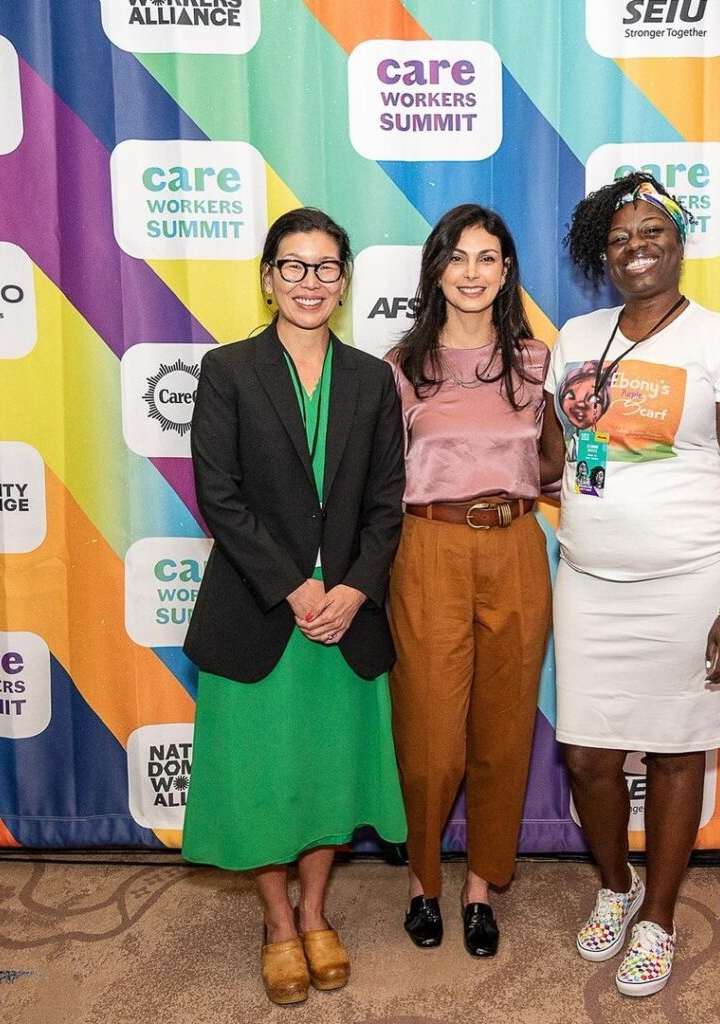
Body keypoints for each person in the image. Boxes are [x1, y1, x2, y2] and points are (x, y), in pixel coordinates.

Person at [542, 173, 720, 997]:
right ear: (599, 254)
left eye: (652, 233)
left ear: (678, 242)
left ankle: (659, 918)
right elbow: (552, 453)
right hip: (589, 579)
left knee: (679, 754)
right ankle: (616, 884)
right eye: (619, 239)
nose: (636, 248)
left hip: (690, 578)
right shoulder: (576, 334)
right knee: (585, 756)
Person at [181, 208, 407, 1005]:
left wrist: (352, 588)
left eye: (325, 268)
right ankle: (278, 923)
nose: (310, 282)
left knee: (326, 776)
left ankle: (317, 911)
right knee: (263, 779)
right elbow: (221, 497)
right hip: (260, 610)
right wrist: (295, 586)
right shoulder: (228, 370)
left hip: (346, 618)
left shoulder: (374, 379)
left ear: (343, 283)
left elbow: (388, 504)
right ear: (269, 278)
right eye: (294, 266)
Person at [386, 204, 560, 958]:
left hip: (517, 545)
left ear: (507, 271)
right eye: (457, 257)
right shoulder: (399, 366)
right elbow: (375, 475)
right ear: (435, 269)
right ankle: (424, 881)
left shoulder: (538, 363)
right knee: (430, 738)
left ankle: (482, 884)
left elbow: (556, 463)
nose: (472, 273)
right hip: (427, 548)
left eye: (488, 258)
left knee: (503, 729)